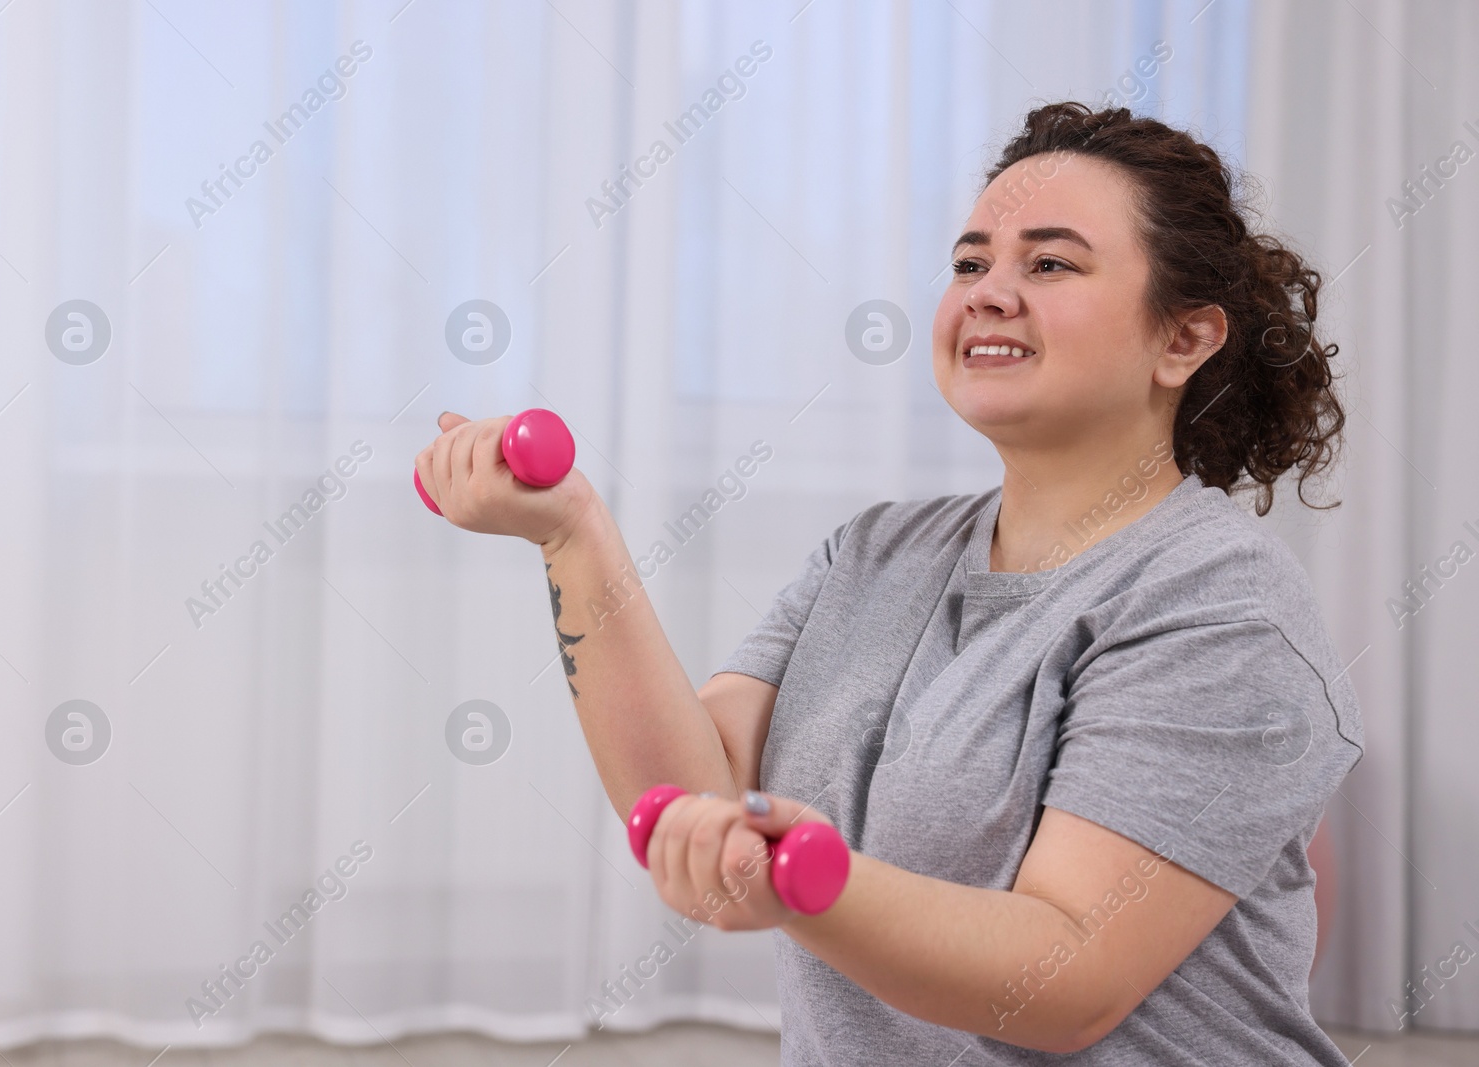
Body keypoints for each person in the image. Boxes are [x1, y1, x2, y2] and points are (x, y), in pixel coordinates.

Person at [414, 102, 1363, 1064]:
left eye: (1050, 263)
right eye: (969, 263)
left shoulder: (1220, 609)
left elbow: (1065, 976)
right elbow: (692, 810)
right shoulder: (873, 553)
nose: (989, 292)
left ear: (1184, 339)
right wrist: (572, 534)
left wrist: (807, 882)